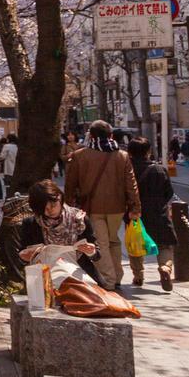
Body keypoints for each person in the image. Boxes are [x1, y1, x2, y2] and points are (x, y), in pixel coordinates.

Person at [64, 120, 141, 291]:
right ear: (111, 135)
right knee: (113, 240)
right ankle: (118, 275)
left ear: (90, 136)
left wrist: (68, 206)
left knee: (101, 242)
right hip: (118, 207)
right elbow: (131, 184)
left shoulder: (80, 155)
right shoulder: (122, 155)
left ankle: (109, 279)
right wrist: (135, 207)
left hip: (92, 206)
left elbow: (70, 184)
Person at [17, 179, 102, 285]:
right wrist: (25, 256)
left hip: (79, 275)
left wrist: (91, 251)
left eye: (53, 205)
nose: (50, 210)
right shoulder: (31, 224)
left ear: (60, 198)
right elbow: (22, 256)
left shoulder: (79, 219)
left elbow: (97, 255)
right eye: (44, 208)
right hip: (47, 279)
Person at [128, 138, 179, 292]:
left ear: (129, 152)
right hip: (159, 213)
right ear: (148, 151)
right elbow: (169, 192)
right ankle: (165, 267)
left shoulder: (127, 169)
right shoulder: (159, 169)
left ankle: (138, 276)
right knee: (165, 245)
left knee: (135, 245)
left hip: (135, 214)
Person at [0, 134, 18, 200]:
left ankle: (9, 197)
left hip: (8, 168)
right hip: (16, 168)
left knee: (8, 184)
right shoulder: (17, 146)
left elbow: (2, 156)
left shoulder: (6, 146)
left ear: (8, 139)